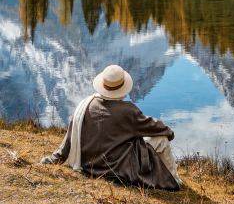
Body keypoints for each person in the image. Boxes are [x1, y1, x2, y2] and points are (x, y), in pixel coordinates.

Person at [40, 65, 181, 190]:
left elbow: (68, 142)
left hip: (91, 167)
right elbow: (157, 128)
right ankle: (174, 180)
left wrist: (52, 159)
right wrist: (169, 133)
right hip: (119, 169)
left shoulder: (85, 105)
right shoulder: (128, 111)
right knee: (162, 139)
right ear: (123, 87)